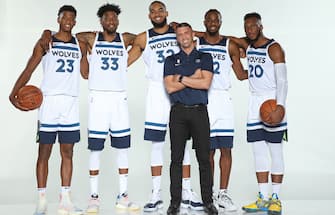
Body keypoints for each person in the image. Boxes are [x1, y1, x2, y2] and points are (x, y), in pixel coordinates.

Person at [9, 5, 88, 215]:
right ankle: (42, 200)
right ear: (58, 19)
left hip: (70, 103)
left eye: (72, 18)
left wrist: (86, 53)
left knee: (68, 152)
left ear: (75, 21)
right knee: (44, 151)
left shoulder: (79, 44)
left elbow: (86, 74)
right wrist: (13, 93)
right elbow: (29, 68)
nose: (69, 20)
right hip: (49, 103)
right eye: (65, 17)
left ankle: (66, 200)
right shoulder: (46, 42)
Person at [128, 1, 203, 212]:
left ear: (167, 13)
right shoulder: (144, 38)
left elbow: (204, 37)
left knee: (184, 142)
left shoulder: (177, 32)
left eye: (160, 9)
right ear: (148, 15)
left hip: (180, 86)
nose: (157, 13)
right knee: (157, 143)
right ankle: (155, 193)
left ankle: (187, 192)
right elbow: (123, 61)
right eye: (153, 10)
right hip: (156, 90)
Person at [71, 4, 138, 213]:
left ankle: (124, 195)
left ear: (117, 21)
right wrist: (85, 53)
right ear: (101, 21)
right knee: (95, 148)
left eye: (114, 18)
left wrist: (130, 59)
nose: (111, 21)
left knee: (122, 148)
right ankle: (93, 197)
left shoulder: (124, 38)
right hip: (98, 98)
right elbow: (76, 35)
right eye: (107, 18)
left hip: (119, 98)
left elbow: (142, 40)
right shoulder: (93, 38)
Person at [230, 12, 288, 215]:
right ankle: (263, 197)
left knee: (275, 150)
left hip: (272, 101)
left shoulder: (274, 48)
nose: (249, 30)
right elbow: (226, 38)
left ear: (260, 26)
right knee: (258, 153)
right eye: (246, 27)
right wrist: (195, 32)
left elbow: (282, 81)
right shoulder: (249, 46)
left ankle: (276, 198)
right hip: (254, 102)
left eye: (253, 26)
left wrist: (280, 106)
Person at [195, 9, 248, 212]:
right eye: (209, 19)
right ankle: (208, 195)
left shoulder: (230, 45)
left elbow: (241, 74)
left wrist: (263, 73)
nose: (212, 22)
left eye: (216, 19)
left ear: (220, 21)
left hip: (223, 100)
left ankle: (223, 193)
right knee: (207, 150)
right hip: (204, 100)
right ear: (204, 21)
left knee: (226, 149)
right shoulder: (197, 43)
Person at [163, 22, 218, 215]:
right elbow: (169, 88)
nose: (184, 36)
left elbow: (205, 83)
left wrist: (181, 79)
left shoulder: (205, 57)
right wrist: (193, 77)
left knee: (204, 159)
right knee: (175, 159)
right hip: (178, 112)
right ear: (176, 38)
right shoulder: (171, 60)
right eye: (179, 34)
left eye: (186, 33)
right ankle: (174, 202)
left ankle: (208, 201)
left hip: (199, 112)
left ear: (192, 34)